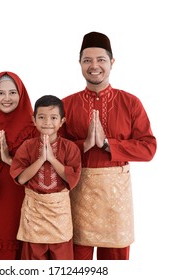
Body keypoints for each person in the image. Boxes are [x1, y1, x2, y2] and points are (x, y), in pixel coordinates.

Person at [60, 31, 157, 260]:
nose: (94, 66)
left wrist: (106, 144)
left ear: (112, 62)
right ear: (80, 64)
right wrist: (83, 145)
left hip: (116, 202)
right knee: (76, 264)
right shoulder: (65, 105)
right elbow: (54, 150)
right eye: (87, 60)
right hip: (77, 195)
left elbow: (148, 148)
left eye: (101, 59)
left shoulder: (130, 102)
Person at [0, 71, 38, 260]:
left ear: (21, 94)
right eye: (0, 93)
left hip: (23, 198)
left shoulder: (35, 126)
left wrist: (11, 162)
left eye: (12, 92)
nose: (7, 98)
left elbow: (43, 169)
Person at [10, 95, 81, 260]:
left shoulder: (70, 148)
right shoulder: (27, 146)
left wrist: (52, 159)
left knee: (62, 262)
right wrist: (41, 159)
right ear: (34, 120)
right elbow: (20, 179)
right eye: (41, 117)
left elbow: (72, 179)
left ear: (62, 121)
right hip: (34, 212)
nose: (47, 122)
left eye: (53, 117)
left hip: (60, 212)